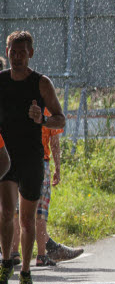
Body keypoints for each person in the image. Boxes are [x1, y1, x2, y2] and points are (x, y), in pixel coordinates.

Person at [0, 31, 66, 284]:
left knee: (27, 220)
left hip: (31, 158)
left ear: (31, 54)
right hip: (5, 158)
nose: (17, 58)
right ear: (6, 52)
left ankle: (25, 274)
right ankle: (6, 263)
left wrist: (43, 120)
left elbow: (60, 119)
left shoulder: (41, 83)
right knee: (6, 213)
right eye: (13, 52)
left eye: (22, 53)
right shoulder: (0, 81)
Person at [8, 108, 82, 266]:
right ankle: (41, 255)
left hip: (18, 162)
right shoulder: (48, 112)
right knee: (40, 212)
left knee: (16, 210)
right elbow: (54, 143)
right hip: (41, 163)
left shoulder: (19, 107)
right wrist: (58, 169)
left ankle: (14, 253)